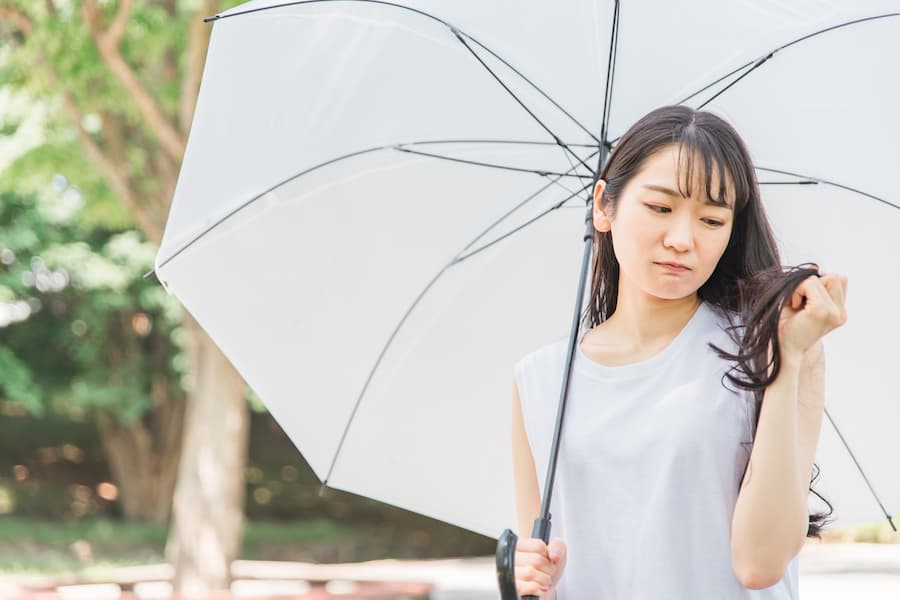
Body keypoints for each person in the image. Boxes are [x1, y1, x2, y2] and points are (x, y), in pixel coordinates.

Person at [510, 105, 848, 599]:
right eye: (661, 208)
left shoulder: (771, 347)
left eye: (712, 219)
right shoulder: (540, 380)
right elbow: (542, 565)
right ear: (603, 206)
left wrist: (788, 359)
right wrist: (525, 579)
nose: (682, 240)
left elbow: (760, 563)